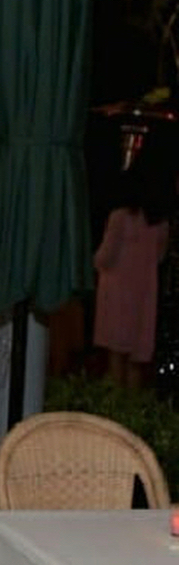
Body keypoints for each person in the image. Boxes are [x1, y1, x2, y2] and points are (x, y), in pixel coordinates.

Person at [92, 150, 171, 388]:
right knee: (135, 359)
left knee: (116, 355)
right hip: (144, 295)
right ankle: (132, 404)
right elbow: (159, 257)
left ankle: (116, 404)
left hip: (117, 294)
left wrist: (92, 261)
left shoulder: (119, 217)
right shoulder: (159, 223)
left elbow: (106, 256)